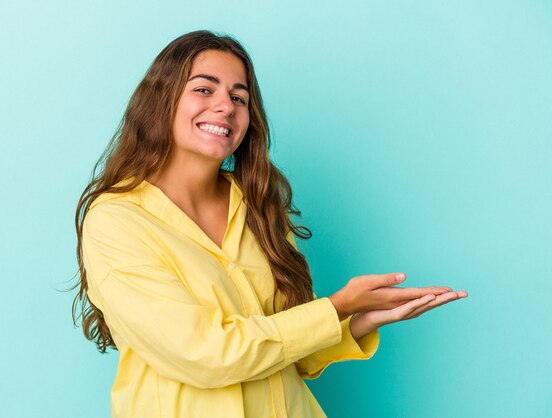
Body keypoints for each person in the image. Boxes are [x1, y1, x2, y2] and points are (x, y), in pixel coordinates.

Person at [72, 30, 467, 418]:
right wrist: (336, 306)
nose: (225, 106)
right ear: (161, 101)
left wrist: (358, 319)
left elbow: (291, 351)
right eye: (204, 89)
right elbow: (205, 355)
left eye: (238, 97)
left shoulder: (261, 208)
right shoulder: (116, 221)